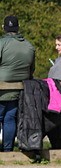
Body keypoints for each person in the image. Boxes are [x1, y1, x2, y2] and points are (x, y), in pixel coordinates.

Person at [0, 15, 35, 152]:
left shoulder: (2, 43)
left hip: (1, 89)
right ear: (18, 27)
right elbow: (32, 69)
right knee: (10, 119)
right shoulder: (29, 46)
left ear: (4, 28)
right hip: (19, 90)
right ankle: (8, 150)